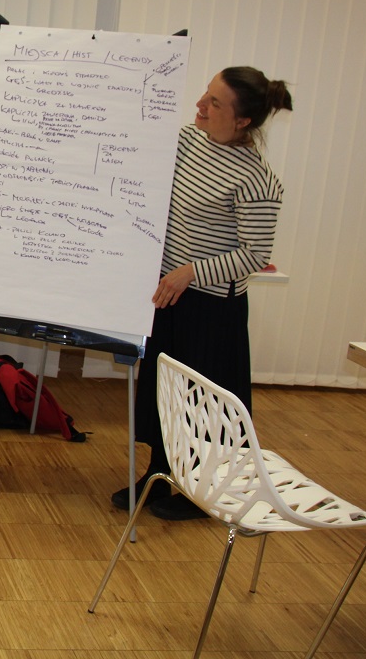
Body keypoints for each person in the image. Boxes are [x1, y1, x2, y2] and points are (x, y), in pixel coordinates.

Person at [111, 66, 293, 520]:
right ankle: (160, 474)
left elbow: (255, 253)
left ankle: (202, 493)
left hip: (211, 306)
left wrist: (191, 272)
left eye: (214, 102)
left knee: (200, 404)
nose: (200, 105)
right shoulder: (189, 141)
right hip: (169, 294)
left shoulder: (257, 180)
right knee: (163, 390)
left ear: (242, 120)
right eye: (205, 95)